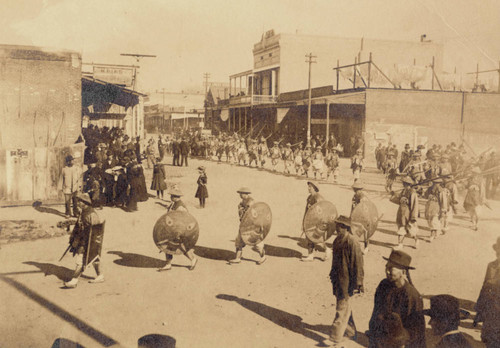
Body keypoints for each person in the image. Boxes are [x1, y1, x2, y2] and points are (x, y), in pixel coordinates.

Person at [367, 250, 426, 348]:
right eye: (386, 267)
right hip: (380, 340)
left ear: (403, 272)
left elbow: (416, 330)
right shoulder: (383, 285)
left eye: (391, 269)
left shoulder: (412, 296)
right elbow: (376, 312)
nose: (387, 271)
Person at [328, 216, 364, 346]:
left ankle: (335, 337)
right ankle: (350, 332)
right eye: (337, 225)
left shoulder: (352, 242)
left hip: (348, 281)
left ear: (346, 227)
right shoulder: (337, 241)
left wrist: (358, 282)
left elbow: (358, 264)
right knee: (345, 306)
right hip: (338, 279)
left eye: (339, 226)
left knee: (341, 308)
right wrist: (332, 274)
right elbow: (334, 261)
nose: (337, 228)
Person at [64, 193, 105, 288]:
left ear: (85, 203)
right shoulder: (84, 212)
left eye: (80, 201)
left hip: (87, 241)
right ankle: (100, 275)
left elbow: (94, 230)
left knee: (80, 260)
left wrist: (84, 242)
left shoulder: (91, 214)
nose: (78, 203)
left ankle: (74, 280)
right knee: (94, 258)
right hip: (83, 239)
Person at [158, 188, 198, 271]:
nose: (170, 197)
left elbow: (183, 220)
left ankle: (193, 259)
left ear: (176, 197)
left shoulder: (180, 207)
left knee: (180, 247)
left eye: (172, 196)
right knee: (168, 246)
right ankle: (168, 264)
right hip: (172, 230)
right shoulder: (174, 204)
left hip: (179, 231)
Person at [474, 236, 500, 348]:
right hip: (490, 310)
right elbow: (484, 287)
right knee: (488, 339)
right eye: (498, 249)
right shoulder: (491, 265)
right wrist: (479, 310)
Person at [229, 187, 266, 265]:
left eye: (241, 194)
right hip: (243, 225)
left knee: (256, 243)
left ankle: (263, 257)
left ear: (246, 194)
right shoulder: (242, 202)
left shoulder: (252, 202)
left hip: (252, 226)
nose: (240, 195)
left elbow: (256, 214)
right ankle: (238, 258)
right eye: (240, 194)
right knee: (239, 241)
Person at [301, 181, 330, 261]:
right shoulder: (309, 198)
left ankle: (327, 250)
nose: (308, 188)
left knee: (317, 238)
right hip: (309, 221)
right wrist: (304, 222)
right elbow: (306, 211)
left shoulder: (318, 198)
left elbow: (323, 210)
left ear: (314, 188)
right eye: (308, 186)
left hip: (317, 223)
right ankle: (310, 255)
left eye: (310, 187)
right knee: (308, 237)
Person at [390, 176, 419, 249]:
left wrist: (413, 217)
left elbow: (415, 205)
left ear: (409, 184)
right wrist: (393, 195)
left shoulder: (413, 193)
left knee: (411, 230)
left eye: (405, 183)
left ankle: (416, 240)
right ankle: (400, 244)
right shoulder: (403, 191)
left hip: (408, 212)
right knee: (401, 228)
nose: (404, 185)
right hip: (401, 212)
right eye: (404, 183)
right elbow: (399, 200)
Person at [463, 167, 484, 231]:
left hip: (477, 196)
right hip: (470, 195)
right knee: (471, 211)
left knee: (477, 212)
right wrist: (464, 183)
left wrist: (482, 197)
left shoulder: (480, 180)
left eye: (476, 173)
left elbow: (482, 189)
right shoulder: (470, 179)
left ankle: (477, 224)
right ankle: (474, 224)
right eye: (473, 173)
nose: (474, 174)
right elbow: (466, 186)